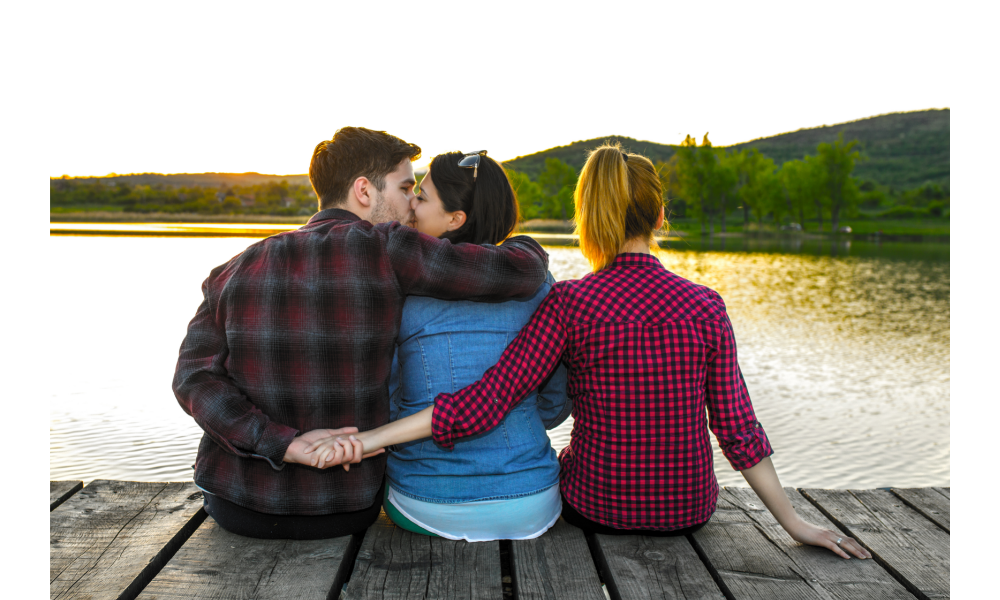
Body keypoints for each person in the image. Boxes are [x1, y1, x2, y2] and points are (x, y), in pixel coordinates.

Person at [309, 144, 871, 559]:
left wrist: (369, 439)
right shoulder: (706, 306)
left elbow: (487, 402)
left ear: (587, 219)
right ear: (657, 218)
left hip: (597, 508)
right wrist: (794, 524)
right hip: (689, 513)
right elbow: (738, 430)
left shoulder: (571, 303)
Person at [172, 127, 550, 540]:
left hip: (236, 505)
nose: (411, 203)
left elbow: (193, 379)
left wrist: (285, 444)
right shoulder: (389, 248)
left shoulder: (230, 270)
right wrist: (530, 247)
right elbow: (513, 272)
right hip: (345, 508)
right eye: (406, 188)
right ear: (364, 191)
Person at [380, 151, 570, 541]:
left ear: (456, 219)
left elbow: (388, 399)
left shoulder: (401, 288)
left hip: (427, 501)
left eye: (423, 195)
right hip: (533, 500)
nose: (412, 202)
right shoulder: (538, 281)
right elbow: (554, 404)